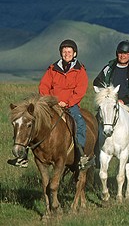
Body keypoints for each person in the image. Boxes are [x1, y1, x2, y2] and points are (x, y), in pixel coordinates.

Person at [8, 39, 92, 170]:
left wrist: (68, 103)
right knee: (31, 122)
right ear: (61, 53)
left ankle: (81, 154)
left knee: (79, 122)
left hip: (70, 105)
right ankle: (22, 156)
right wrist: (51, 101)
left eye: (69, 51)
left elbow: (80, 90)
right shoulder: (53, 68)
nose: (66, 54)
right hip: (51, 104)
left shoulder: (80, 70)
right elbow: (44, 86)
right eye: (64, 51)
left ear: (75, 54)